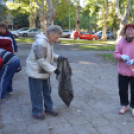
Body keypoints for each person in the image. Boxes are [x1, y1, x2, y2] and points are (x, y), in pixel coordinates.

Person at [26, 25, 64, 120]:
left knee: (47, 91)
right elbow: (40, 60)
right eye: (56, 37)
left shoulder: (48, 42)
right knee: (37, 93)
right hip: (35, 72)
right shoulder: (40, 42)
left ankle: (48, 109)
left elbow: (48, 54)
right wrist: (54, 70)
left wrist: (58, 57)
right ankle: (37, 111)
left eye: (57, 38)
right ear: (49, 34)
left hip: (44, 72)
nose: (56, 40)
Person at [113, 24, 134, 117]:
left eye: (132, 30)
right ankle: (124, 105)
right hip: (122, 71)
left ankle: (133, 107)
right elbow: (115, 54)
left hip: (133, 71)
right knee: (122, 90)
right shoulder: (121, 41)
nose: (130, 32)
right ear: (125, 32)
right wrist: (122, 56)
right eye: (128, 30)